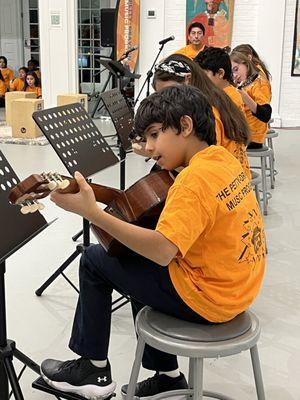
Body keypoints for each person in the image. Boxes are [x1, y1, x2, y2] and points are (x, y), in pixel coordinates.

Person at [40, 85, 266, 400]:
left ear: (185, 126)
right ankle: (168, 376)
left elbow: (162, 252)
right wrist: (158, 149)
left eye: (155, 135)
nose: (148, 146)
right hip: (240, 288)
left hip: (209, 299)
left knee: (94, 259)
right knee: (133, 261)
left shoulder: (192, 181)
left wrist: (92, 213)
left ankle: (92, 368)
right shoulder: (222, 160)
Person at [149, 54, 251, 179]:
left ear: (188, 79)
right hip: (234, 175)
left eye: (170, 92)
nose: (166, 101)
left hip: (224, 181)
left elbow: (206, 164)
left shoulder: (208, 111)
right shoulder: (215, 95)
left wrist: (153, 150)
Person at [230, 51, 272, 148]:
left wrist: (245, 97)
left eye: (236, 69)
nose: (235, 75)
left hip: (252, 137)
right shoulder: (245, 83)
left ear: (246, 64)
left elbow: (266, 115)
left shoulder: (259, 84)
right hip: (244, 132)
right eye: (232, 73)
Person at [195, 46, 245, 113]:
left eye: (204, 75)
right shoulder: (219, 94)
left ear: (220, 73)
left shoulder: (229, 100)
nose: (200, 79)